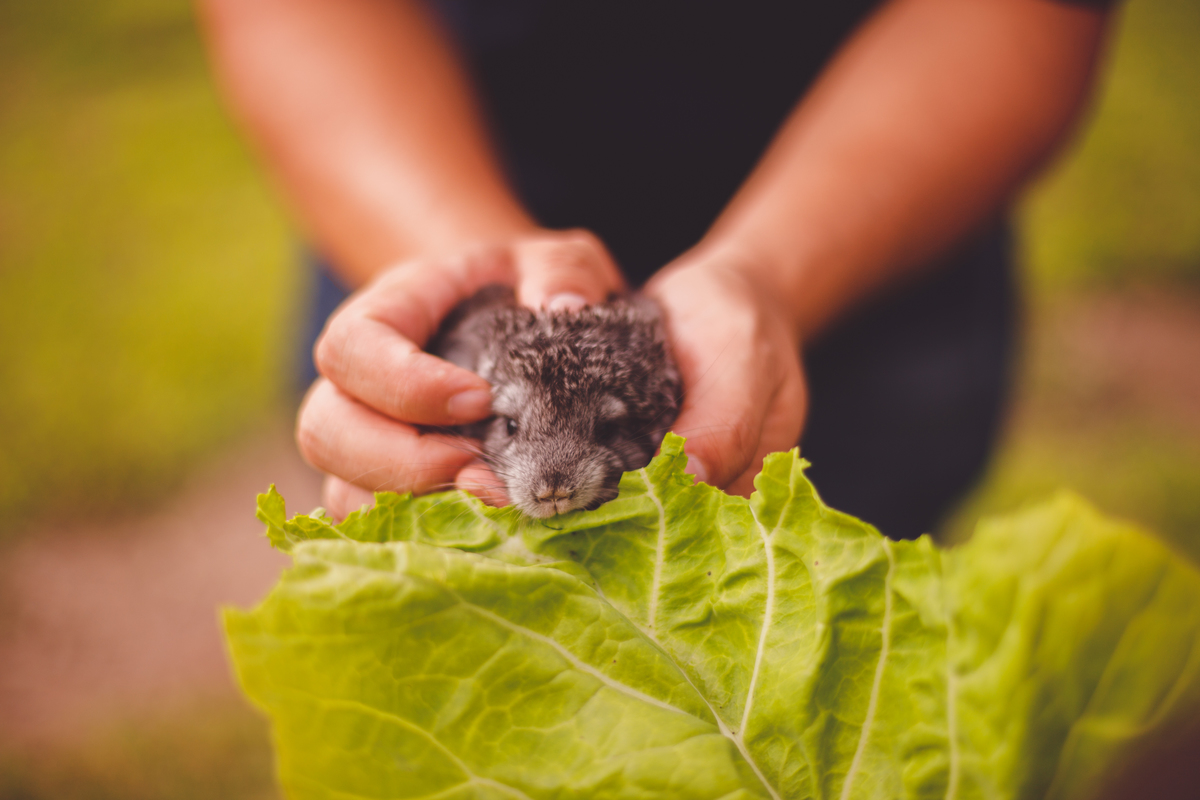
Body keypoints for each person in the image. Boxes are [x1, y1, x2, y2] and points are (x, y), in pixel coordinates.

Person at [197, 0, 1113, 539]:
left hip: (876, 203)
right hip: (429, 171)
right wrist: (455, 271)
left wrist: (767, 280)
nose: (550, 478)